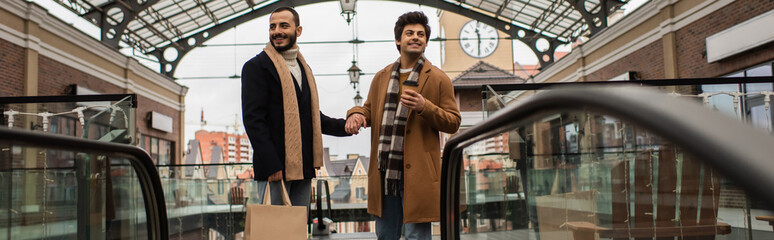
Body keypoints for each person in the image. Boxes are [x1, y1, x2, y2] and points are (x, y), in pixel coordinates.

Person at [344, 11, 461, 240]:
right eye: (409, 33)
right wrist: (356, 115)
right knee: (386, 235)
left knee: (417, 236)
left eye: (421, 34)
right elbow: (368, 108)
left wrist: (424, 106)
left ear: (426, 42)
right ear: (398, 40)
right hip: (384, 171)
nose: (415, 37)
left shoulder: (438, 78)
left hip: (419, 173)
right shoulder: (382, 77)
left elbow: (453, 122)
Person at [241, 7, 349, 208]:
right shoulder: (256, 67)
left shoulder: (303, 68)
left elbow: (311, 117)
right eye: (272, 27)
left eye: (284, 25)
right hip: (274, 170)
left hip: (303, 167)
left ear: (298, 31)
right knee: (275, 232)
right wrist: (272, 164)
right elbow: (253, 120)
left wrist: (346, 126)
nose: (277, 31)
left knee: (297, 229)